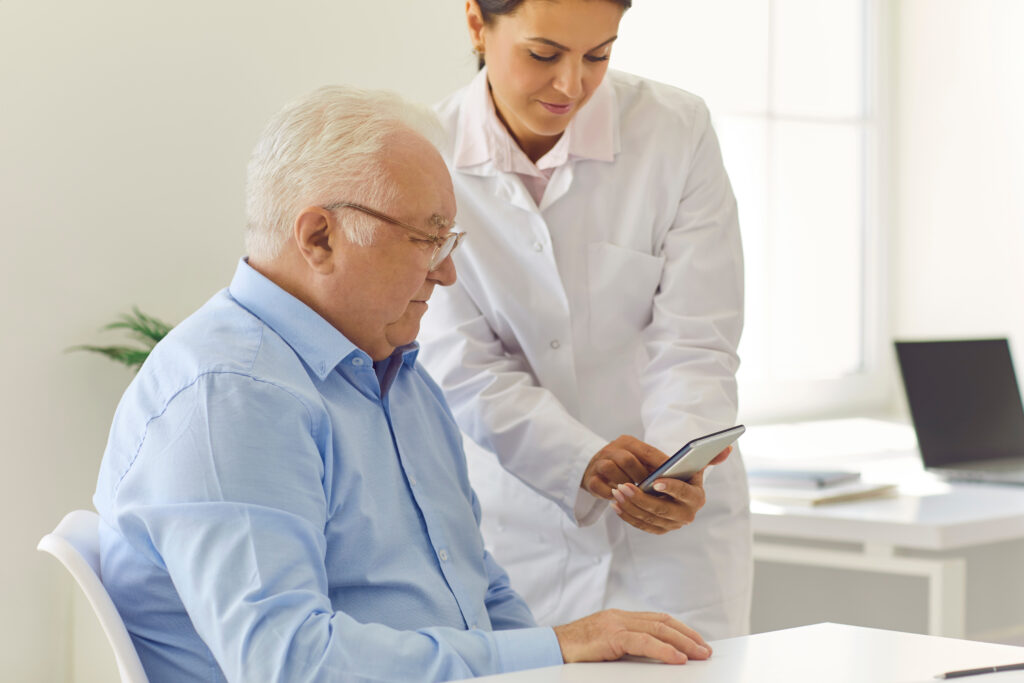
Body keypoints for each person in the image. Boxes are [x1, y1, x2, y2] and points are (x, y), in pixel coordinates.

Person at [91, 85, 714, 682]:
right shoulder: (232, 394)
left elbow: (480, 590)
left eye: (450, 240)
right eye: (426, 238)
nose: (446, 272)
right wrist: (558, 647)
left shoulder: (398, 379)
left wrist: (554, 667)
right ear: (318, 237)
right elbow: (287, 665)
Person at [418, 0, 752, 640]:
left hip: (679, 551)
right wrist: (578, 459)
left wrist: (679, 464)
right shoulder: (426, 153)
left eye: (599, 54)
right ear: (476, 23)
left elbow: (696, 338)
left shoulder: (676, 131)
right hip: (523, 528)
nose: (571, 84)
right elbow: (459, 364)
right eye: (543, 54)